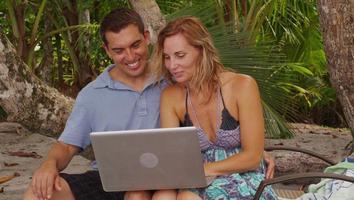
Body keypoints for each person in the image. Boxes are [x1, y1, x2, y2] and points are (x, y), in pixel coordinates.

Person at [23, 8, 275, 200]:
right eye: (119, 50)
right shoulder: (94, 94)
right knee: (37, 193)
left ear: (146, 38)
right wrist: (48, 164)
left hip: (165, 177)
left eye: (135, 45)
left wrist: (252, 151)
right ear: (107, 50)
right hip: (111, 177)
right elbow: (66, 146)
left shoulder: (169, 81)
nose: (130, 57)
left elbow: (237, 139)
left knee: (152, 193)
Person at [152, 16, 278, 199]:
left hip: (241, 174)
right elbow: (173, 154)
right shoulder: (171, 96)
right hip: (197, 177)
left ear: (202, 51)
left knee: (187, 198)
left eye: (180, 55)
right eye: (167, 57)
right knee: (162, 197)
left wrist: (205, 170)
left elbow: (252, 157)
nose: (172, 66)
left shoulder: (242, 86)